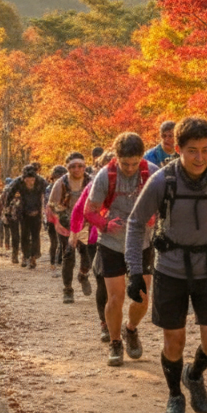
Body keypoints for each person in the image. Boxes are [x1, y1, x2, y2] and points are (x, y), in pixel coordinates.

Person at [125, 116, 207, 413]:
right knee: (174, 340)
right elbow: (136, 223)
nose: (200, 158)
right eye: (192, 150)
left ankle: (194, 375)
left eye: (206, 150)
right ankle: (174, 395)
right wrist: (135, 270)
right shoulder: (162, 180)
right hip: (171, 268)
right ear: (177, 149)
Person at [84, 132, 158, 367]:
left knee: (143, 298)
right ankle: (115, 343)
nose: (129, 168)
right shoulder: (106, 176)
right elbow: (89, 211)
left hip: (142, 243)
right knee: (115, 298)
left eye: (134, 163)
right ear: (116, 158)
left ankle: (131, 330)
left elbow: (166, 205)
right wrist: (105, 224)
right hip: (112, 243)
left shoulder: (152, 173)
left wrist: (154, 216)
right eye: (125, 163)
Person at [71, 179, 110, 341]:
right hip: (96, 237)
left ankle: (128, 325)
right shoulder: (95, 184)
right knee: (102, 279)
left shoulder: (137, 180)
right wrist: (74, 232)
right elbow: (78, 209)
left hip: (129, 239)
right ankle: (105, 323)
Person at [50, 154, 92, 303]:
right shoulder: (61, 183)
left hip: (86, 224)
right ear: (68, 167)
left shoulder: (91, 181)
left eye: (80, 166)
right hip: (66, 224)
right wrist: (64, 220)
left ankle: (83, 274)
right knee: (68, 255)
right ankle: (67, 289)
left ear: (84, 166)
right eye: (73, 166)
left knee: (87, 255)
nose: (77, 169)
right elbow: (53, 205)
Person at [4, 164, 48, 269]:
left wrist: (48, 208)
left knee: (35, 235)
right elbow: (9, 194)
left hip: (37, 211)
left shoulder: (41, 182)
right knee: (24, 234)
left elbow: (49, 193)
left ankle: (33, 256)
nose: (30, 182)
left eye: (32, 179)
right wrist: (7, 207)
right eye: (27, 180)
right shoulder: (17, 182)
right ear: (24, 179)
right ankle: (25, 255)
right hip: (23, 212)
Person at [46, 164, 67, 271]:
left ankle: (62, 260)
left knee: (64, 241)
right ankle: (52, 261)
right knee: (54, 241)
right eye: (57, 177)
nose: (59, 180)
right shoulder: (49, 189)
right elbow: (48, 204)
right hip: (51, 217)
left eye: (61, 177)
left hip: (63, 218)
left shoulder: (68, 188)